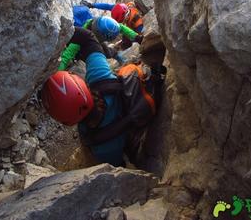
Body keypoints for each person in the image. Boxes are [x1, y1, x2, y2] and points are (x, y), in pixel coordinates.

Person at [42, 27, 164, 167]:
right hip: (135, 106)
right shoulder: (99, 78)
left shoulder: (102, 148)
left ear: (66, 121)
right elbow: (87, 38)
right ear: (81, 84)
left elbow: (118, 168)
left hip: (121, 137)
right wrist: (52, 33)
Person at [58, 16, 142, 71]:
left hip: (95, 40)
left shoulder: (106, 25)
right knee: (93, 57)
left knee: (107, 52)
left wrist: (136, 37)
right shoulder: (81, 36)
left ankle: (118, 57)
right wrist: (57, 72)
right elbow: (68, 55)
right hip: (82, 49)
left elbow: (122, 28)